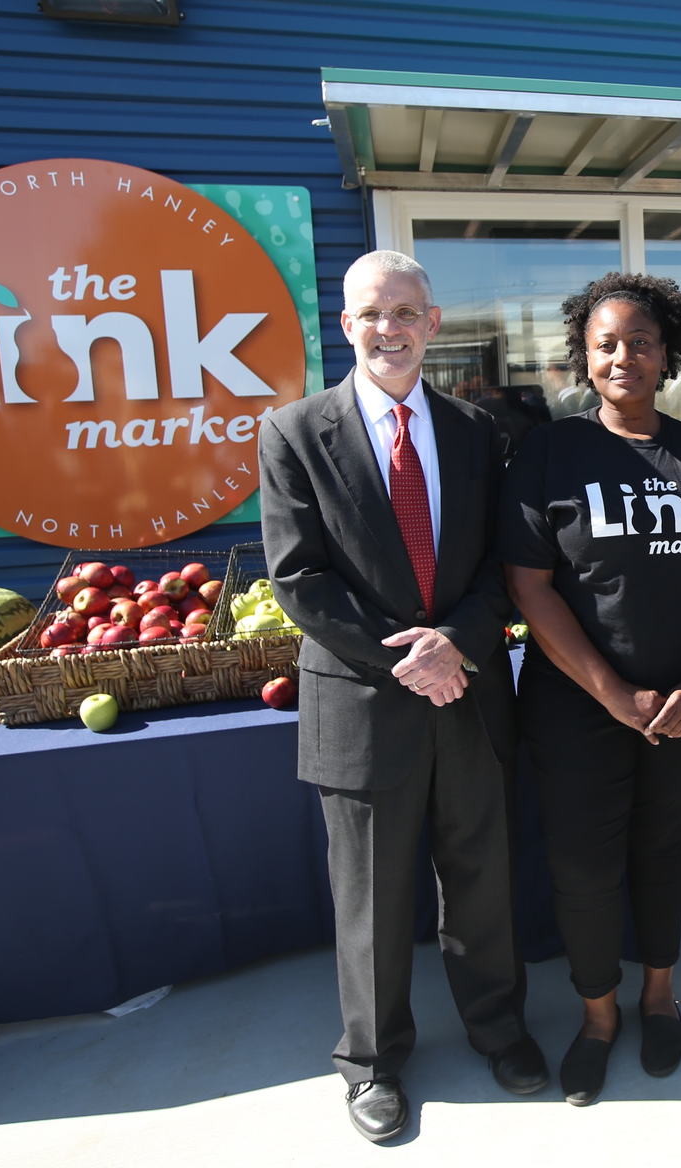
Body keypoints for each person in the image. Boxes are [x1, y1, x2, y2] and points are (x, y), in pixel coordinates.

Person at [259, 250, 549, 1144]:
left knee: (482, 882)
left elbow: (503, 566)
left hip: (466, 690)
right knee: (373, 899)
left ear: (432, 323)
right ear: (346, 327)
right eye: (371, 314)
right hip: (364, 702)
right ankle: (373, 1063)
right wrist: (410, 659)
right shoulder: (294, 431)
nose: (390, 328)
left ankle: (499, 1030)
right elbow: (298, 578)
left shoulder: (475, 433)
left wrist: (455, 644)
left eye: (407, 312)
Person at [499, 272, 681, 1105]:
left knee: (662, 847)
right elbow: (530, 588)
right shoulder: (551, 451)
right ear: (584, 355)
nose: (623, 356)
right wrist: (611, 694)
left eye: (641, 341)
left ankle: (659, 995)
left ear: (668, 351)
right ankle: (599, 1016)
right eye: (606, 343)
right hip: (578, 706)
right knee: (583, 864)